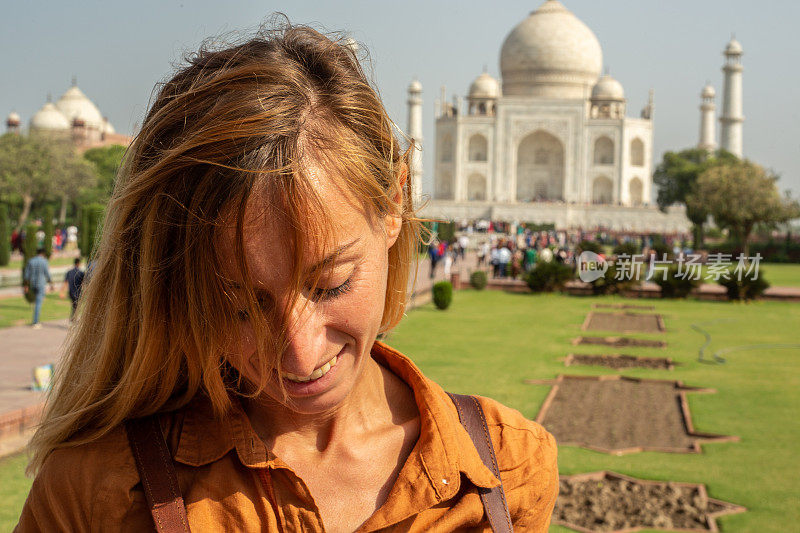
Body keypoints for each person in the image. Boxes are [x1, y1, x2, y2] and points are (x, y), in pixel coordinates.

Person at [16, 24, 557, 532]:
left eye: (331, 284)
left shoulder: (508, 469)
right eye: (239, 306)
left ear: (395, 203)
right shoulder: (98, 490)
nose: (299, 354)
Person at [22, 248, 53, 329]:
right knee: (39, 303)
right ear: (43, 253)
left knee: (36, 302)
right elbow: (47, 273)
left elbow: (26, 275)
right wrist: (51, 284)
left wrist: (26, 286)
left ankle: (35, 320)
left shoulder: (31, 261)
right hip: (41, 284)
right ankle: (35, 322)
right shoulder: (44, 261)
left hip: (33, 284)